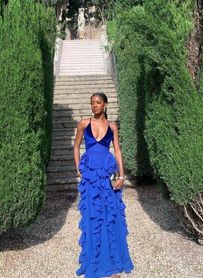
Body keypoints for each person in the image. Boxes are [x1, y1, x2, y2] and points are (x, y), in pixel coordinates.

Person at [73, 93, 134, 278]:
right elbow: (76, 146)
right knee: (93, 216)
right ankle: (96, 263)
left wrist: (122, 175)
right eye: (92, 103)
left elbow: (117, 150)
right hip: (90, 176)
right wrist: (78, 168)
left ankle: (114, 265)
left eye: (98, 103)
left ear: (105, 105)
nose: (95, 106)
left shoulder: (113, 127)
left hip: (107, 174)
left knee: (111, 215)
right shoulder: (84, 123)